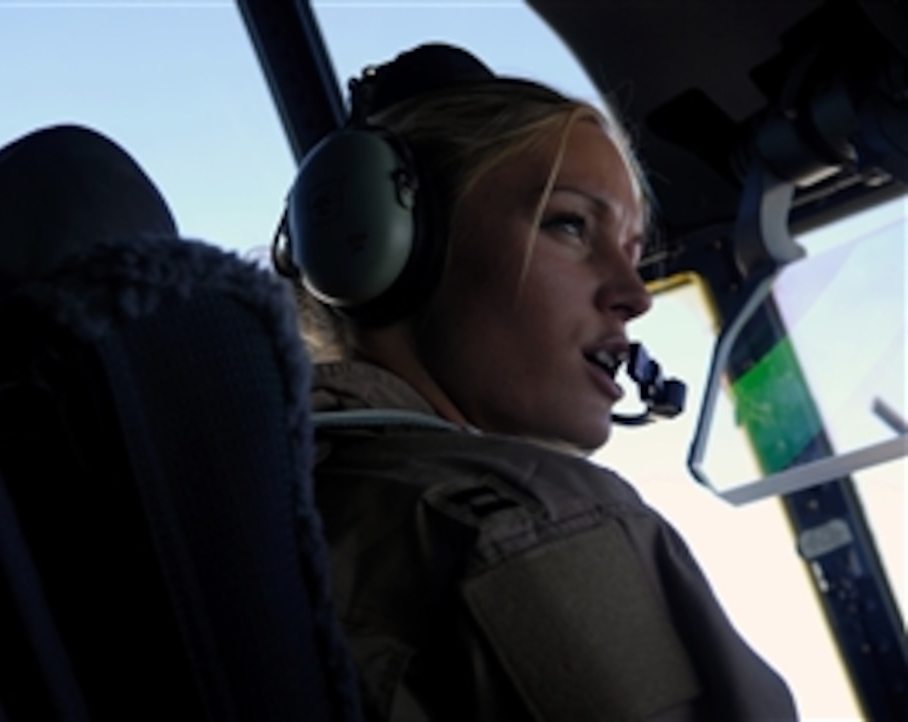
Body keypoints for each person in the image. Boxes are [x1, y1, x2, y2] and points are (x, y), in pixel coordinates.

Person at [274, 43, 797, 721]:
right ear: (390, 245)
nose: (635, 295)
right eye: (570, 225)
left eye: (635, 252)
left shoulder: (293, 491)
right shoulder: (529, 521)